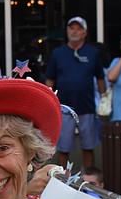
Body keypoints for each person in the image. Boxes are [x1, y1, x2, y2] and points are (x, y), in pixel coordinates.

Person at [44, 16, 106, 170]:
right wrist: (47, 102)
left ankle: (89, 181)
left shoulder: (93, 53)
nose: (75, 31)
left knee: (88, 146)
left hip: (87, 107)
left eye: (79, 28)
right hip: (64, 108)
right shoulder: (57, 53)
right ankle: (62, 181)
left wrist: (105, 100)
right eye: (72, 28)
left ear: (85, 32)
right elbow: (50, 80)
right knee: (63, 147)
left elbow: (100, 78)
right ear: (67, 31)